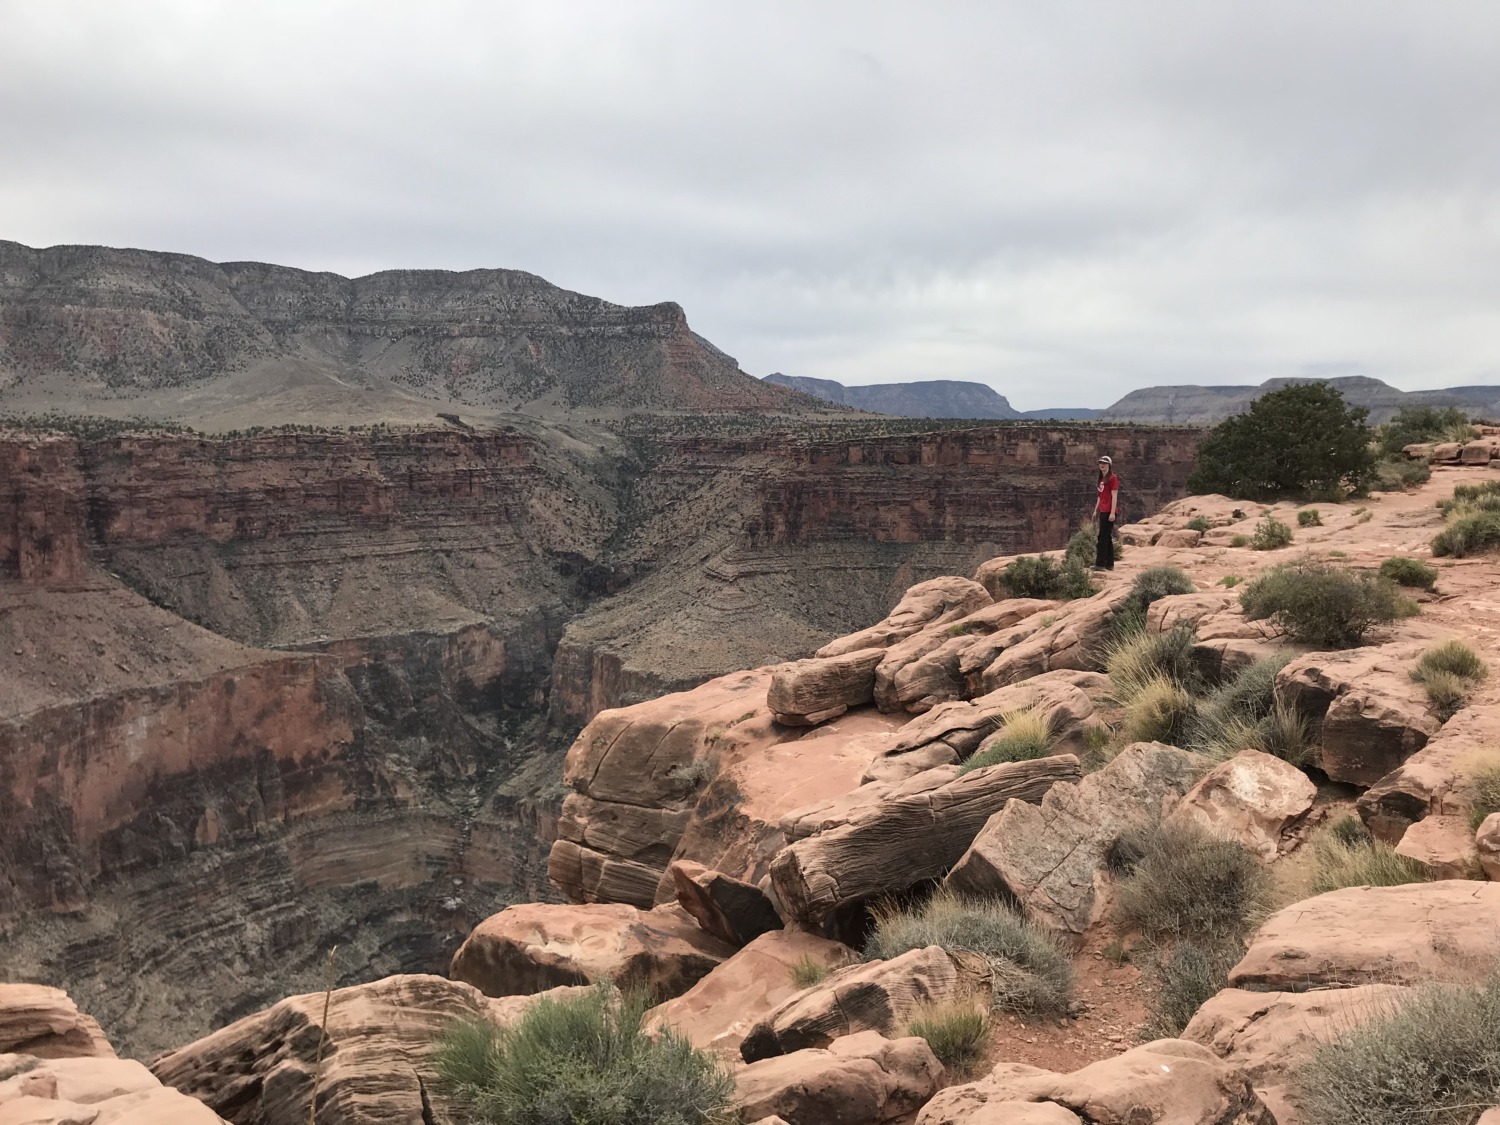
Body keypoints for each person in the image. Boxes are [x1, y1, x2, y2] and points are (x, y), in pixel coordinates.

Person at [1094, 455, 1119, 570]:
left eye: (1104, 463)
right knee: (1107, 537)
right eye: (1100, 463)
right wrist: (1096, 510)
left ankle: (1100, 564)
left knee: (1102, 537)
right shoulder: (1101, 479)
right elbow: (1100, 496)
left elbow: (1114, 496)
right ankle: (1110, 564)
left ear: (1109, 465)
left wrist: (1112, 513)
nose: (1102, 465)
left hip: (1109, 511)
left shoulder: (1113, 478)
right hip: (1103, 510)